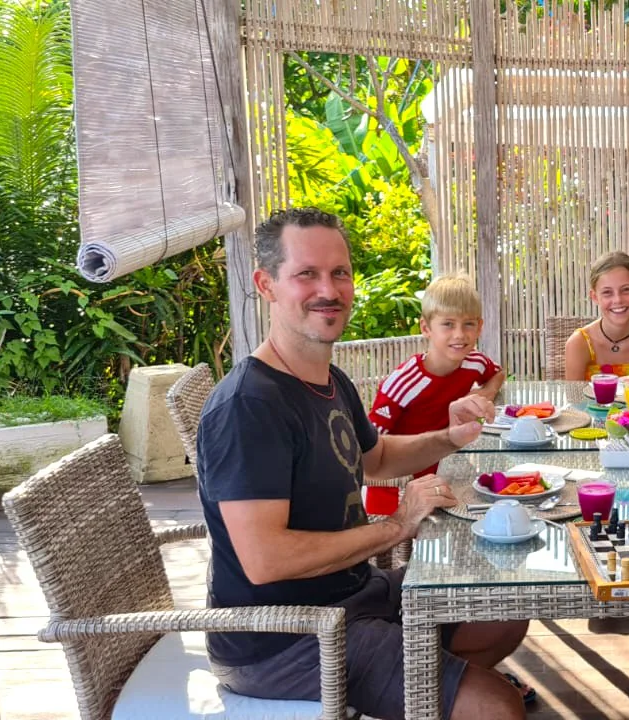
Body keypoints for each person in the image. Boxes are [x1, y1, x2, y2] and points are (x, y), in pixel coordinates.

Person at [195, 208, 530, 720]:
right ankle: (438, 691)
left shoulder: (330, 380)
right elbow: (266, 560)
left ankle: (419, 693)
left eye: (340, 273)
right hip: (282, 638)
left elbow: (375, 459)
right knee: (498, 707)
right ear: (266, 284)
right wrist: (398, 524)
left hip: (353, 593)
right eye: (306, 274)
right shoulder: (250, 405)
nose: (328, 289)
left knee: (502, 610)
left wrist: (451, 435)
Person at [364, 273, 505, 515]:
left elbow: (498, 373)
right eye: (448, 324)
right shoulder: (402, 384)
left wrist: (486, 392)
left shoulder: (474, 362)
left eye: (468, 324)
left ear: (480, 327)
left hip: (447, 477)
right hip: (396, 493)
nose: (459, 334)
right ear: (426, 328)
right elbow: (367, 451)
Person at [563, 251, 629, 380]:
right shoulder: (579, 343)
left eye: (626, 289)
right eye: (607, 292)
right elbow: (574, 399)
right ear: (594, 297)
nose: (618, 300)